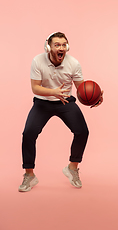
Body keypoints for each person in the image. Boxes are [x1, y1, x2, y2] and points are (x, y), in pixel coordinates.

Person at [18, 32, 103, 192]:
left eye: (64, 45)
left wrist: (95, 97)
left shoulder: (74, 63)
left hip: (64, 101)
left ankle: (72, 168)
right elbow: (35, 87)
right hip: (43, 102)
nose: (61, 48)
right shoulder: (38, 61)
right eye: (57, 44)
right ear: (48, 47)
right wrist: (52, 92)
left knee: (82, 131)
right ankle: (29, 175)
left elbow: (81, 89)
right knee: (28, 133)